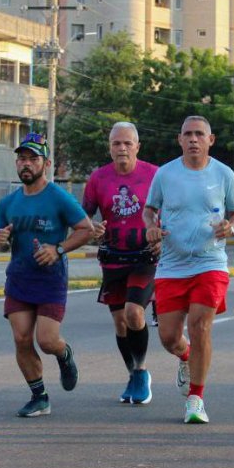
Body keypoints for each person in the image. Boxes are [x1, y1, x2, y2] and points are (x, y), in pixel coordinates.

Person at [143, 116, 234, 424]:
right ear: (180, 139)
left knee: (201, 326)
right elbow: (150, 210)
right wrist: (151, 227)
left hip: (210, 262)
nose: (193, 139)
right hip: (172, 265)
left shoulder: (223, 174)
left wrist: (232, 226)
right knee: (169, 337)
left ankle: (195, 399)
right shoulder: (165, 174)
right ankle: (185, 356)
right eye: (187, 134)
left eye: (199, 134)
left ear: (210, 140)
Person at [0, 132, 94, 417]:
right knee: (22, 338)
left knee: (47, 340)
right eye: (21, 159)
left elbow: (86, 229)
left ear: (46, 164)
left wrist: (59, 249)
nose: (26, 164)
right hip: (19, 279)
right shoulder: (8, 203)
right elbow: (3, 242)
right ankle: (39, 397)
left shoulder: (59, 198)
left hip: (51, 279)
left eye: (32, 159)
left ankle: (64, 354)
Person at [82, 122, 160, 405]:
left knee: (134, 314)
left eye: (128, 143)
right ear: (110, 147)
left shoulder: (154, 175)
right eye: (117, 143)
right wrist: (93, 228)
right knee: (119, 323)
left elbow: (172, 209)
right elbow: (84, 216)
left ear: (138, 146)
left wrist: (162, 235)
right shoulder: (99, 178)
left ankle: (141, 371)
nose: (122, 148)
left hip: (144, 256)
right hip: (113, 258)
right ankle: (132, 373)